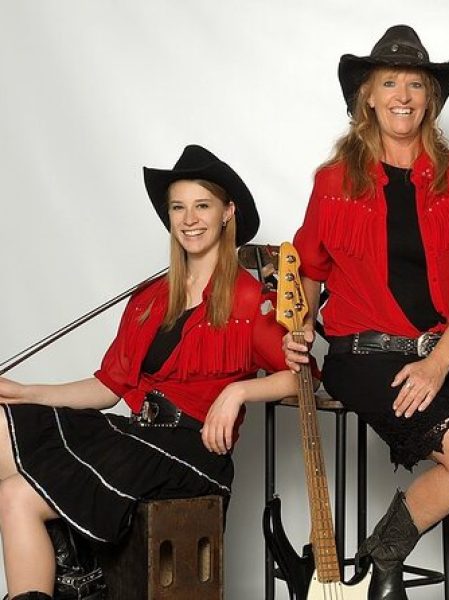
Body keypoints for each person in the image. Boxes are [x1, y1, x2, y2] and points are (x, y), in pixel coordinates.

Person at [0, 145, 297, 600]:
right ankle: (77, 573)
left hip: (191, 455)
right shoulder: (151, 299)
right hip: (137, 439)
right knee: (7, 454)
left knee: (20, 493)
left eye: (202, 205)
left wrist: (237, 392)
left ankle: (80, 573)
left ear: (226, 213)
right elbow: (107, 387)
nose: (189, 218)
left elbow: (304, 377)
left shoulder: (248, 300)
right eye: (178, 207)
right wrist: (26, 391)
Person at [285, 24, 449, 600]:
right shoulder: (333, 183)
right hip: (363, 353)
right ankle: (377, 558)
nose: (403, 95)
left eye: (416, 83)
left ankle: (375, 561)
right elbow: (307, 272)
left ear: (430, 98)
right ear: (367, 95)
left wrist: (438, 363)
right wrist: (297, 328)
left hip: (437, 352)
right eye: (390, 82)